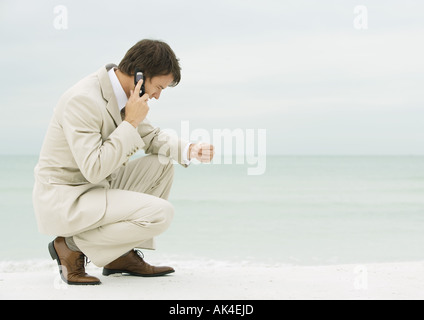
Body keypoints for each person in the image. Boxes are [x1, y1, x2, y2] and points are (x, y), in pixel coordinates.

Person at [33, 39, 214, 285]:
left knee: (161, 165)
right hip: (69, 195)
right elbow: (94, 168)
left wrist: (190, 149)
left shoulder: (124, 96)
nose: (158, 96)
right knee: (160, 215)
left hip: (95, 186)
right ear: (139, 74)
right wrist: (129, 123)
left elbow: (150, 137)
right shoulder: (83, 100)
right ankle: (69, 246)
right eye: (159, 87)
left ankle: (118, 255)